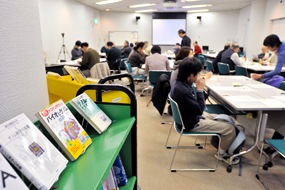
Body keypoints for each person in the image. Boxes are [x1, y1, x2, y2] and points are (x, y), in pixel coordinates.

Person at [170, 57, 239, 165]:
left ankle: (220, 142)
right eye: (197, 74)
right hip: (191, 122)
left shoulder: (179, 82)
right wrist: (200, 90)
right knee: (230, 129)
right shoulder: (182, 90)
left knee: (224, 118)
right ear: (191, 75)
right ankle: (221, 154)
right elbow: (200, 109)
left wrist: (198, 84)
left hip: (187, 116)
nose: (198, 76)